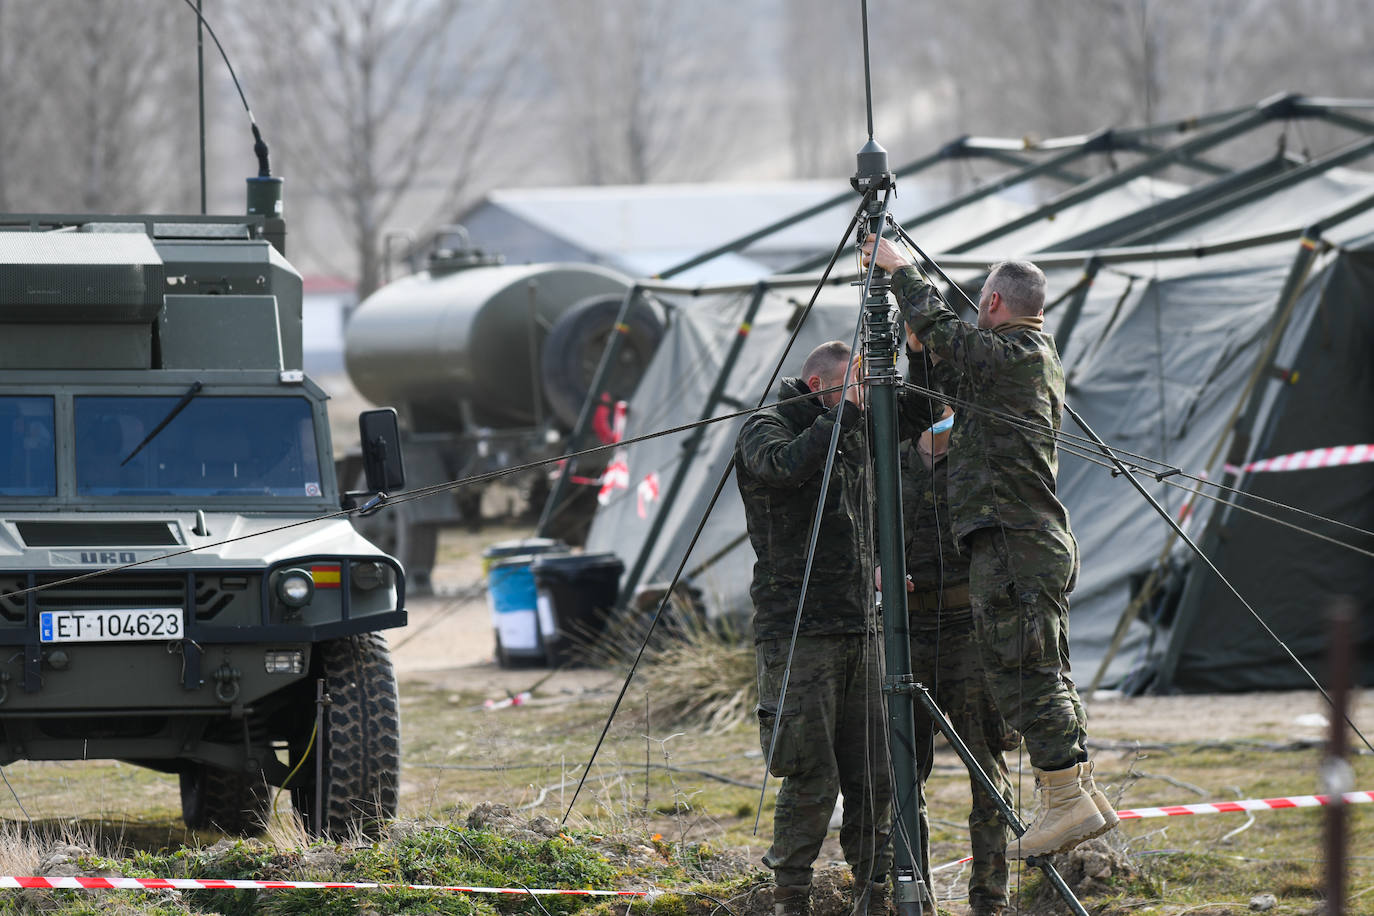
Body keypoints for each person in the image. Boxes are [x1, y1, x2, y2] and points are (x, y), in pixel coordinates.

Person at [862, 236, 1119, 860]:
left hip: (1014, 541)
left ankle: (1066, 799)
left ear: (996, 301)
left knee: (1021, 673)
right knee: (1039, 667)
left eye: (981, 300)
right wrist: (922, 343)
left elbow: (957, 341)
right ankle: (1077, 787)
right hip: (1023, 541)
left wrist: (901, 272)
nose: (976, 309)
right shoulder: (1015, 358)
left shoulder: (1017, 351)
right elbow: (948, 366)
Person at [735, 340, 892, 916]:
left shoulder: (853, 427)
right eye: (854, 384)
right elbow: (785, 466)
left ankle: (875, 894)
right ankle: (790, 898)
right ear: (824, 385)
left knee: (874, 774)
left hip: (860, 628)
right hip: (798, 632)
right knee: (809, 773)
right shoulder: (766, 427)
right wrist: (846, 411)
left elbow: (915, 429)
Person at [898, 385, 1016, 916]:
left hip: (969, 627)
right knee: (901, 770)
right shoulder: (889, 456)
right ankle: (912, 895)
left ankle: (989, 899)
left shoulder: (978, 457)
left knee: (985, 767)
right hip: (907, 630)